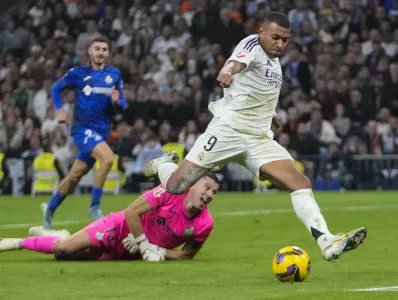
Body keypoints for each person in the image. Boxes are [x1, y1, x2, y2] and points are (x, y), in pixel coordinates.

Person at [144, 12, 367, 262]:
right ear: (261, 32)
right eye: (275, 38)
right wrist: (228, 71)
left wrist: (273, 114)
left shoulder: (275, 62)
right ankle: (162, 164)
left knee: (300, 182)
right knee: (176, 186)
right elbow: (236, 62)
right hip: (228, 131)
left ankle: (327, 241)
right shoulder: (251, 45)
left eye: (285, 40)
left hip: (258, 139)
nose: (280, 44)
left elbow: (257, 91)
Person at [0, 172, 219, 262]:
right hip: (119, 228)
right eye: (207, 187)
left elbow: (186, 255)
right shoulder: (169, 191)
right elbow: (131, 212)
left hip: (132, 250)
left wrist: (155, 249)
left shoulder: (205, 224)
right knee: (62, 250)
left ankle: (60, 234)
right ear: (193, 184)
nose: (209, 195)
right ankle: (15, 243)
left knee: (66, 256)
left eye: (214, 192)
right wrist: (144, 244)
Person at [41, 36, 126, 228]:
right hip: (82, 130)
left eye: (104, 49)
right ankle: (95, 206)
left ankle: (50, 208)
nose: (100, 52)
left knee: (73, 177)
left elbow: (121, 105)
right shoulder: (78, 73)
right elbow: (56, 89)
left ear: (108, 53)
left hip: (101, 132)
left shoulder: (114, 74)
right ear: (89, 51)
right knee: (108, 159)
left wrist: (116, 102)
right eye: (97, 48)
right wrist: (60, 110)